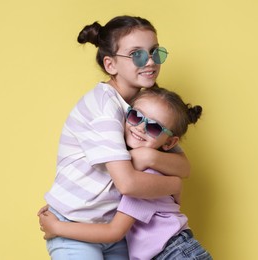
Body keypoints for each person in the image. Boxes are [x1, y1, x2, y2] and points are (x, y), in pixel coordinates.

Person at [38, 16, 191, 259]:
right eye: (137, 55)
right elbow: (128, 184)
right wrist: (174, 185)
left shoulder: (146, 105)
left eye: (155, 52)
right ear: (111, 65)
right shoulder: (103, 107)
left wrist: (147, 156)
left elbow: (183, 166)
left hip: (112, 230)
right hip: (74, 224)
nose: (150, 61)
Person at [39, 87, 213, 260]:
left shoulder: (146, 180)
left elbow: (114, 231)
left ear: (169, 143)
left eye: (154, 127)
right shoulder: (155, 167)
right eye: (136, 116)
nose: (140, 127)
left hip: (175, 254)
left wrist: (56, 227)